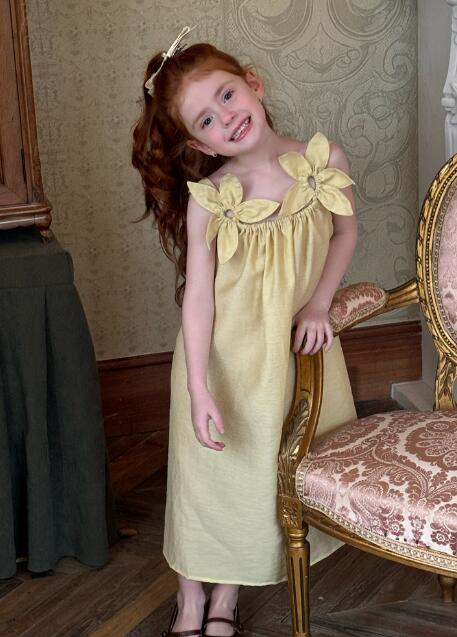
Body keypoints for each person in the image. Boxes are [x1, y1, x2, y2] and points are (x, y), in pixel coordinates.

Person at [132, 26, 357, 637]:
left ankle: (226, 595)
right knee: (206, 475)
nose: (226, 118)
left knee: (257, 469)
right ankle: (190, 597)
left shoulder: (323, 164)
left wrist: (319, 304)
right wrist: (197, 385)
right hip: (219, 359)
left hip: (283, 355)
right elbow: (200, 296)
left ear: (252, 84)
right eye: (206, 120)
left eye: (227, 96)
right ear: (196, 142)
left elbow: (345, 233)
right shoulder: (212, 198)